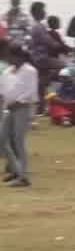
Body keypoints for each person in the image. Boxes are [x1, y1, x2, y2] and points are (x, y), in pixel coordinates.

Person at [0, 47, 32, 186]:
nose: (9, 59)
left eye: (11, 56)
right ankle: (16, 170)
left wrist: (18, 101)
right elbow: (2, 90)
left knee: (18, 140)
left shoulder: (29, 71)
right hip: (8, 108)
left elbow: (31, 91)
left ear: (19, 57)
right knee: (2, 139)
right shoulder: (7, 71)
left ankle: (22, 176)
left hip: (22, 108)